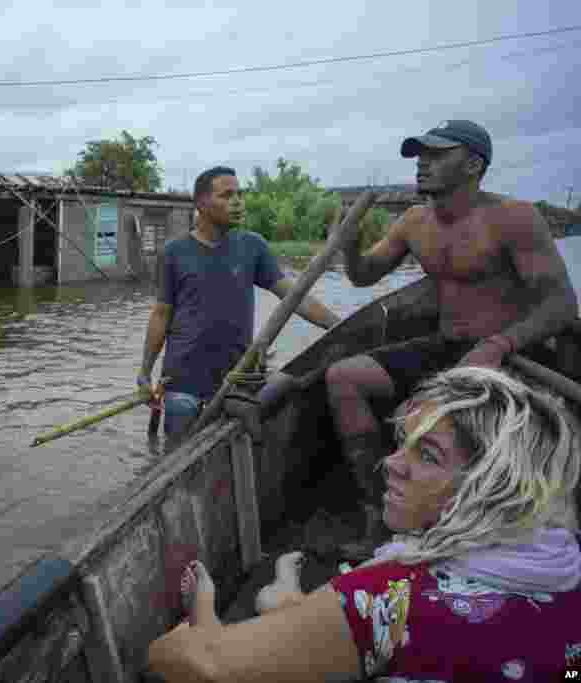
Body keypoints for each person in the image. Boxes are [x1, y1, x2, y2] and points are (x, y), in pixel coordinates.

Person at [148, 366, 581, 682]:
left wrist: (167, 650)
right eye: (402, 444)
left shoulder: (390, 598)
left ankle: (213, 608)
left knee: (187, 651)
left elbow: (203, 669)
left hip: (359, 629)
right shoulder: (567, 563)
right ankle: (282, 595)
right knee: (298, 616)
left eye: (426, 455)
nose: (390, 464)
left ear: (492, 487)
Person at [326, 120, 578, 559]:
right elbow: (364, 275)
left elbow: (561, 306)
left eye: (437, 154)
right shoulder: (413, 222)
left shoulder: (514, 218)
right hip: (447, 348)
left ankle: (451, 524)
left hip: (511, 358)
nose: (423, 163)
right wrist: (347, 247)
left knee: (414, 416)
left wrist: (501, 345)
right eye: (420, 155)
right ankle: (376, 514)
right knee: (343, 377)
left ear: (474, 165)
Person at [138, 166, 341, 440]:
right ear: (201, 203)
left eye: (240, 194)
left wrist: (338, 325)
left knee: (282, 391)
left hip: (238, 378)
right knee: (179, 457)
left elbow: (295, 297)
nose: (237, 202)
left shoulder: (252, 246)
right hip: (183, 380)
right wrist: (144, 373)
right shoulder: (174, 252)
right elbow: (162, 314)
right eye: (226, 195)